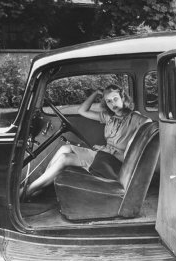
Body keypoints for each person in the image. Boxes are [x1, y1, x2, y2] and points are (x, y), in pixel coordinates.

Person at [20, 84, 151, 200]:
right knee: (65, 148)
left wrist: (110, 149)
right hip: (104, 156)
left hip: (115, 164)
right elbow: (82, 111)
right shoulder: (109, 117)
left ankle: (27, 192)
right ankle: (42, 185)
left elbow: (146, 128)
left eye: (115, 99)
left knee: (65, 158)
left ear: (123, 98)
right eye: (108, 101)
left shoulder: (137, 119)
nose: (113, 104)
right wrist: (95, 93)